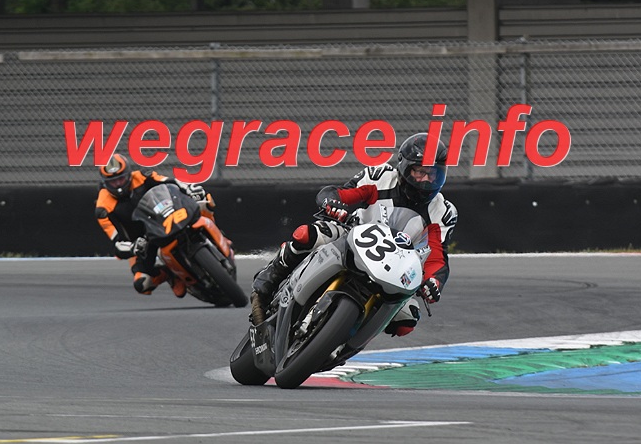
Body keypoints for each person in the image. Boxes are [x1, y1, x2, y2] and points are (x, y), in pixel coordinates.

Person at [250, 132, 458, 337]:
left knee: (407, 320)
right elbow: (339, 193)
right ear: (404, 167)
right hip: (352, 236)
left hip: (394, 267)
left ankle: (345, 342)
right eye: (419, 172)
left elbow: (437, 256)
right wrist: (333, 204)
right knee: (307, 235)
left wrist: (434, 282)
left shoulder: (442, 211)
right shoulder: (381, 177)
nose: (426, 180)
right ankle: (268, 280)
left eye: (433, 174)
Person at [95, 153, 215, 296]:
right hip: (142, 240)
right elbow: (117, 242)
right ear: (104, 183)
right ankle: (169, 274)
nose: (118, 185)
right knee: (142, 284)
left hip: (165, 217)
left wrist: (189, 188)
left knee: (204, 201)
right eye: (113, 182)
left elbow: (169, 182)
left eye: (121, 179)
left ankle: (215, 235)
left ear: (128, 174)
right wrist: (132, 247)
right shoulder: (102, 208)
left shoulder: (142, 176)